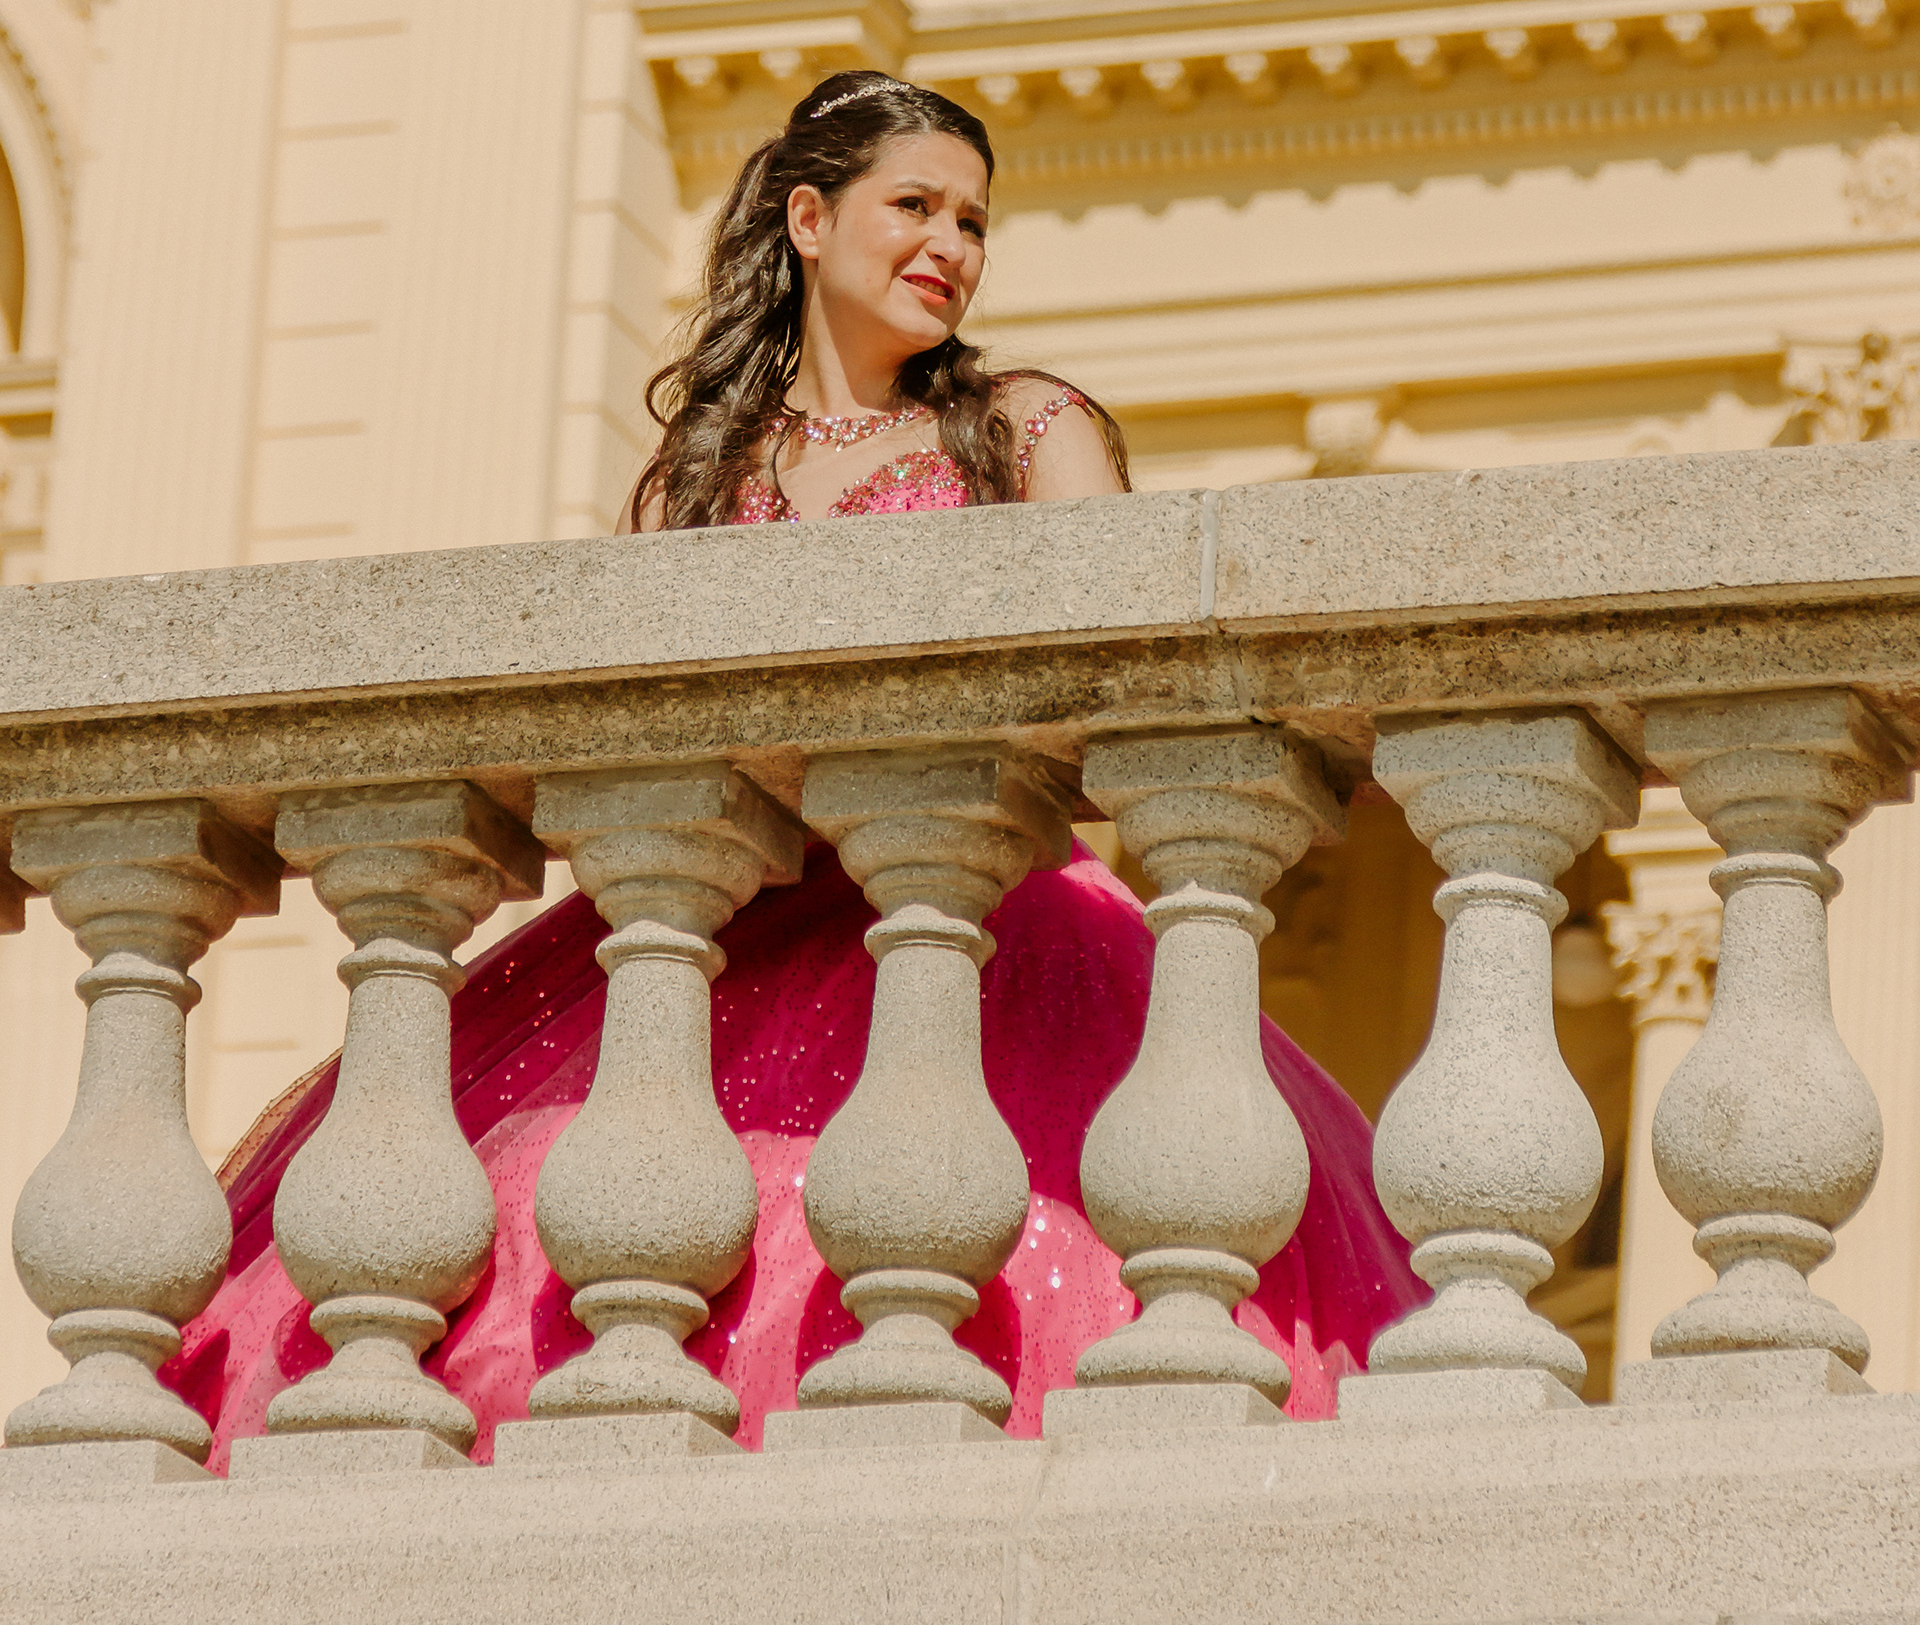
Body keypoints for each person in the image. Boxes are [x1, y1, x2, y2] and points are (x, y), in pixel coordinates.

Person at [168, 74, 1416, 1463]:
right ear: (810, 220)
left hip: (985, 928)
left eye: (973, 222)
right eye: (916, 206)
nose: (950, 245)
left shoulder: (1027, 428)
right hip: (730, 931)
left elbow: (1121, 705)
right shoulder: (705, 475)